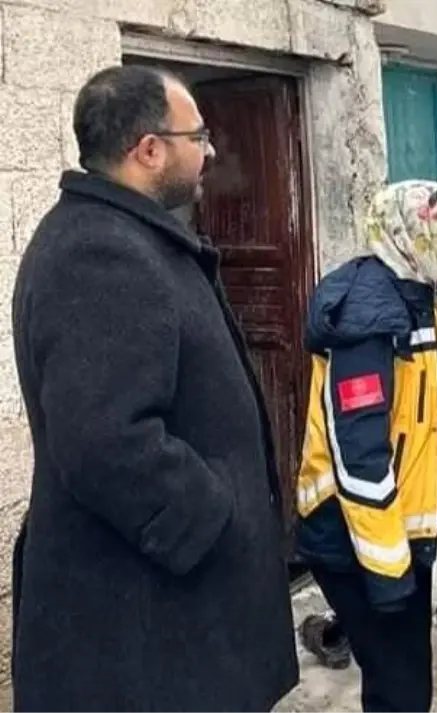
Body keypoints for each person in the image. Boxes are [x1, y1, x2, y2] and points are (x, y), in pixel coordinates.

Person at [10, 65, 298, 712]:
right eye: (199, 135)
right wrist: (213, 516)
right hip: (146, 633)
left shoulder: (127, 235)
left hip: (169, 618)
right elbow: (106, 441)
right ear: (149, 150)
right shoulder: (100, 253)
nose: (211, 151)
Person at [293, 180, 437, 713]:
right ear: (419, 234)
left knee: (401, 684)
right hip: (354, 539)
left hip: (390, 534)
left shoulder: (418, 295)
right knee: (400, 692)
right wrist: (388, 569)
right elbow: (360, 457)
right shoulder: (368, 320)